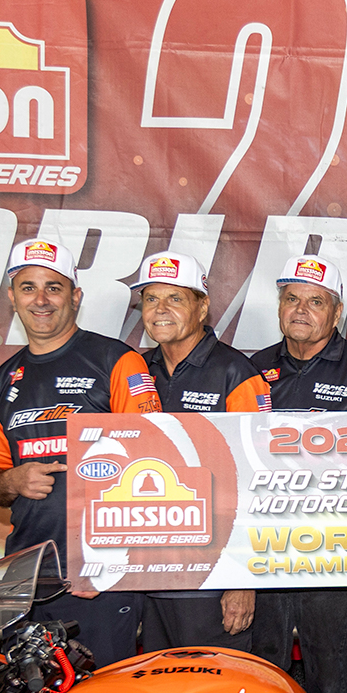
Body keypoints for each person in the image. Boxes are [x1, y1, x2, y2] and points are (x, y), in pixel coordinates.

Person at [0, 239, 161, 667]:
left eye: (54, 287)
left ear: (75, 296)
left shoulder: (117, 360)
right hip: (27, 576)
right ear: (12, 298)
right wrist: (12, 480)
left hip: (100, 577)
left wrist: (110, 564)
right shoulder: (1, 380)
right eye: (28, 288)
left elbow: (155, 464)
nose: (40, 300)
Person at [246, 255, 347, 693]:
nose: (301, 310)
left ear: (337, 311)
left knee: (329, 659)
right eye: (292, 299)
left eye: (316, 301)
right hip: (265, 540)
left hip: (333, 541)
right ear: (279, 306)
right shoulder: (253, 368)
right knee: (263, 659)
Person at [134, 251, 272, 651]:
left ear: (202, 306)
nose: (160, 309)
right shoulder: (135, 370)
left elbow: (260, 480)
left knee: (212, 686)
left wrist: (243, 580)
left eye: (175, 298)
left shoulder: (237, 373)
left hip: (212, 577)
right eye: (151, 298)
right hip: (143, 575)